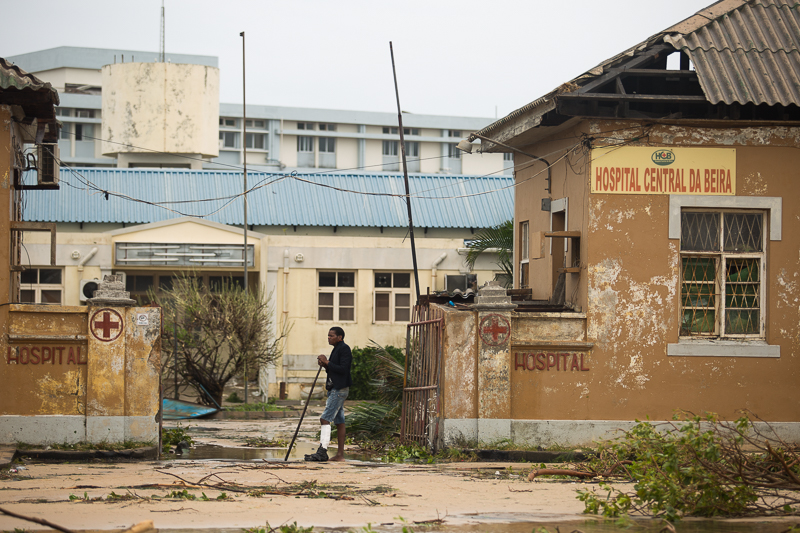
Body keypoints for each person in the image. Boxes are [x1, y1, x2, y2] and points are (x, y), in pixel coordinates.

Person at [304, 326, 352, 462]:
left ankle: (322, 452)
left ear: (339, 337)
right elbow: (333, 370)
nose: (329, 338)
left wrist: (327, 362)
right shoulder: (336, 349)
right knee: (340, 421)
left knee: (325, 419)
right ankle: (340, 455)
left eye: (331, 336)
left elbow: (343, 369)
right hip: (334, 388)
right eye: (328, 336)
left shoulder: (344, 349)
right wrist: (325, 365)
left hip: (339, 389)